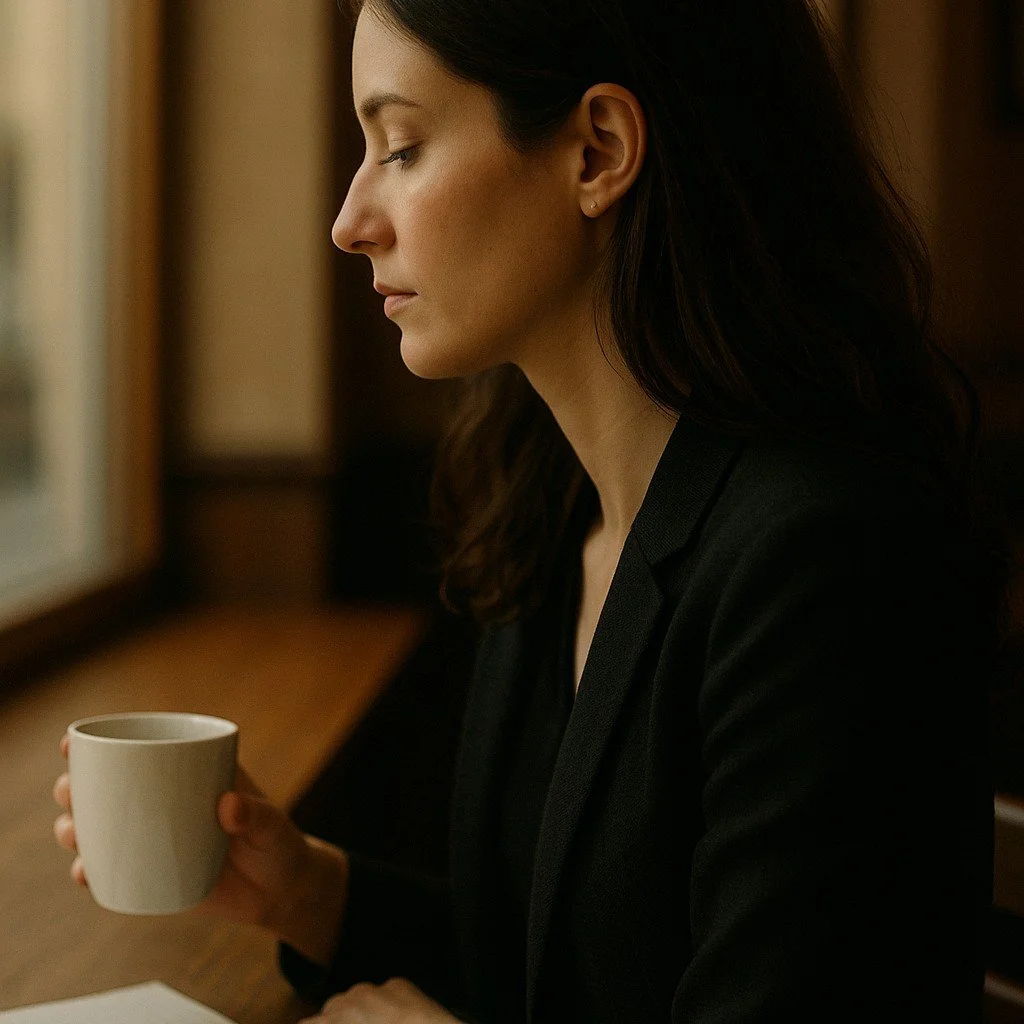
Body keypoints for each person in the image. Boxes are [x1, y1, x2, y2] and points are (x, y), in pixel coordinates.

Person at [53, 0, 1009, 1020]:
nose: (348, 219)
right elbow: (559, 974)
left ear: (596, 150)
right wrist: (305, 890)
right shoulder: (554, 513)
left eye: (402, 146)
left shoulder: (825, 559)